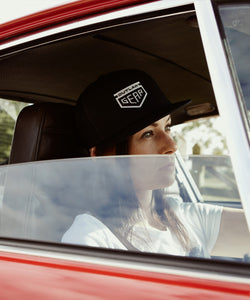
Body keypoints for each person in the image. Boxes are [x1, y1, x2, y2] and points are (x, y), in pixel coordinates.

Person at [62, 69, 250, 258]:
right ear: (101, 157)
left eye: (167, 127)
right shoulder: (89, 239)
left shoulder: (182, 216)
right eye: (148, 134)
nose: (172, 145)